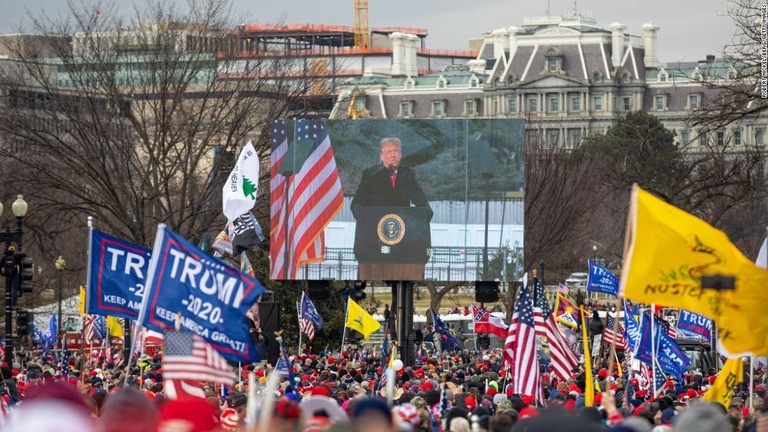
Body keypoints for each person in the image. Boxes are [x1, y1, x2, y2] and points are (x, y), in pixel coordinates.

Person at [351, 137, 432, 220]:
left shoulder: (407, 175)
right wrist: (367, 220)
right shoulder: (370, 174)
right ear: (381, 156)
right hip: (376, 225)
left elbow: (422, 204)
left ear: (400, 154)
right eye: (389, 152)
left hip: (400, 226)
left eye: (396, 151)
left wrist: (422, 218)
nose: (393, 155)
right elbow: (356, 205)